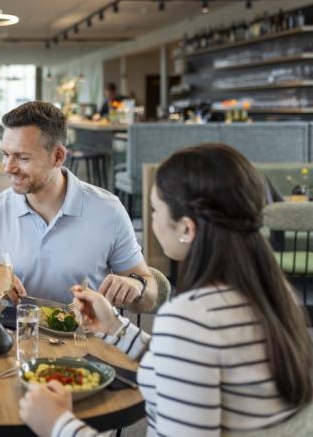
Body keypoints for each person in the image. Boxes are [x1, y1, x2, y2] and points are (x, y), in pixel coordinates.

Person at [19, 143, 313, 436]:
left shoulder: (192, 318)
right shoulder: (275, 295)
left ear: (186, 228)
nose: (153, 220)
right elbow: (189, 363)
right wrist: (116, 328)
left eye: (155, 209)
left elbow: (188, 346)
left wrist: (58, 424)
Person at [0, 101, 156, 312]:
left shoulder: (108, 210)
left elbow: (149, 296)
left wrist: (136, 285)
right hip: (14, 331)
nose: (8, 167)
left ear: (58, 156)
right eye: (5, 154)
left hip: (84, 332)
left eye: (22, 157)